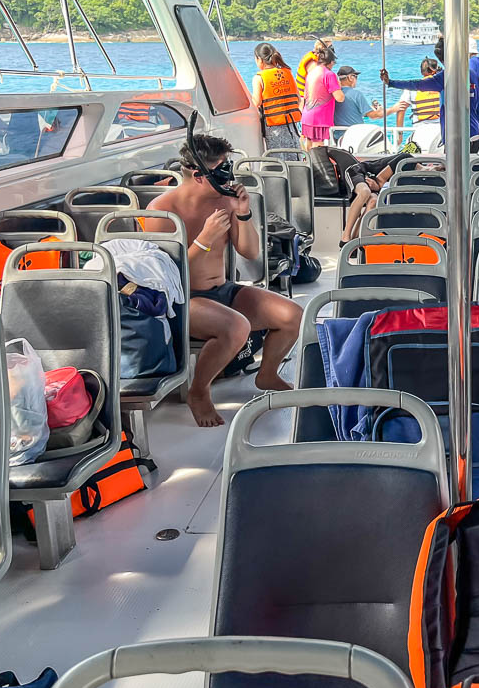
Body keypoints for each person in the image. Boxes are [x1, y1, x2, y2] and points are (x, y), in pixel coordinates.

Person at [148, 133, 303, 427]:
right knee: (237, 326)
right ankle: (199, 391)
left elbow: (250, 251)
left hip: (223, 290)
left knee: (293, 315)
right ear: (198, 175)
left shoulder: (226, 201)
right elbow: (164, 274)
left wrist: (243, 214)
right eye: (221, 170)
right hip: (182, 299)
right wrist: (204, 240)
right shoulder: (161, 211)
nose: (229, 176)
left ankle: (267, 373)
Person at [381, 35, 479, 151]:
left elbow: (416, 84)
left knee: (452, 168)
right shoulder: (473, 74)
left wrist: (390, 82)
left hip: (454, 135)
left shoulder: (444, 77)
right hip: (474, 133)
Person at [339, 151, 410, 246]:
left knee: (374, 201)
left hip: (373, 181)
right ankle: (345, 237)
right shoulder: (406, 158)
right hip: (359, 171)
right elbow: (380, 180)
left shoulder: (418, 176)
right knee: (365, 192)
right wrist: (379, 187)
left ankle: (355, 240)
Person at [251, 43, 301, 151]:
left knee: (278, 159)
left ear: (259, 60)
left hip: (274, 128)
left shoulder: (259, 77)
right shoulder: (287, 72)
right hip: (292, 126)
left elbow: (256, 102)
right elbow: (298, 98)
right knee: (294, 156)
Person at [300, 45, 345, 149]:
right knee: (318, 148)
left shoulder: (311, 73)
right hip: (320, 119)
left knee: (308, 146)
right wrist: (339, 85)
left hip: (307, 116)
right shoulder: (329, 75)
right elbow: (340, 98)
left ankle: (309, 165)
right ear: (331, 62)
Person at [333, 66, 393, 132]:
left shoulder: (334, 95)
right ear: (350, 78)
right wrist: (394, 108)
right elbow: (374, 116)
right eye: (356, 76)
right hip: (355, 135)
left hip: (337, 136)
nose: (356, 80)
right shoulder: (356, 94)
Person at [393, 58, 442, 133]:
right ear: (435, 71)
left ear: (422, 72)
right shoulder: (443, 86)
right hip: (441, 128)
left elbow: (401, 110)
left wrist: (400, 135)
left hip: (420, 128)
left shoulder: (411, 89)